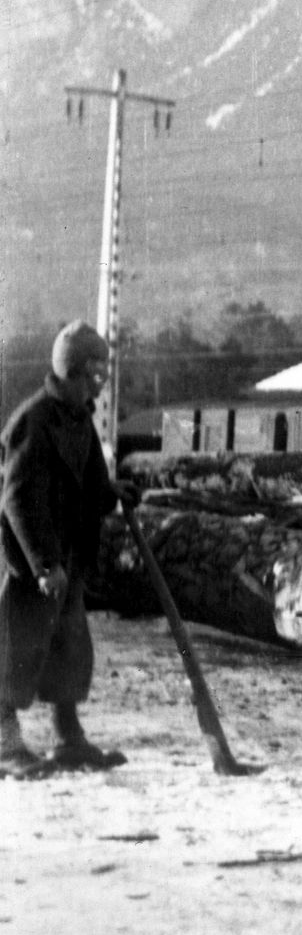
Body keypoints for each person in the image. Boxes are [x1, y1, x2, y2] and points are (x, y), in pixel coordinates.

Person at [0, 321, 130, 776]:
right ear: (71, 372)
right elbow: (16, 499)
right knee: (15, 645)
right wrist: (42, 565)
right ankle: (5, 743)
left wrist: (114, 493)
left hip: (68, 560)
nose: (103, 381)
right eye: (96, 373)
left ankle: (68, 738)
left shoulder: (80, 420)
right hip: (28, 561)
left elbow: (91, 482)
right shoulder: (32, 422)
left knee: (69, 646)